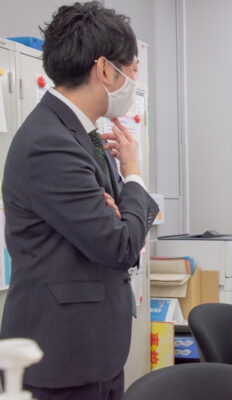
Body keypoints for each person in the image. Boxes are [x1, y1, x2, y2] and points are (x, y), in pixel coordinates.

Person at [0, 2, 159, 399]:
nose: (134, 81)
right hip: (62, 357)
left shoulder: (82, 135)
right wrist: (133, 172)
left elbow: (120, 225)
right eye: (133, 69)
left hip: (93, 350)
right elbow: (121, 244)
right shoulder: (50, 142)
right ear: (105, 69)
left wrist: (120, 211)